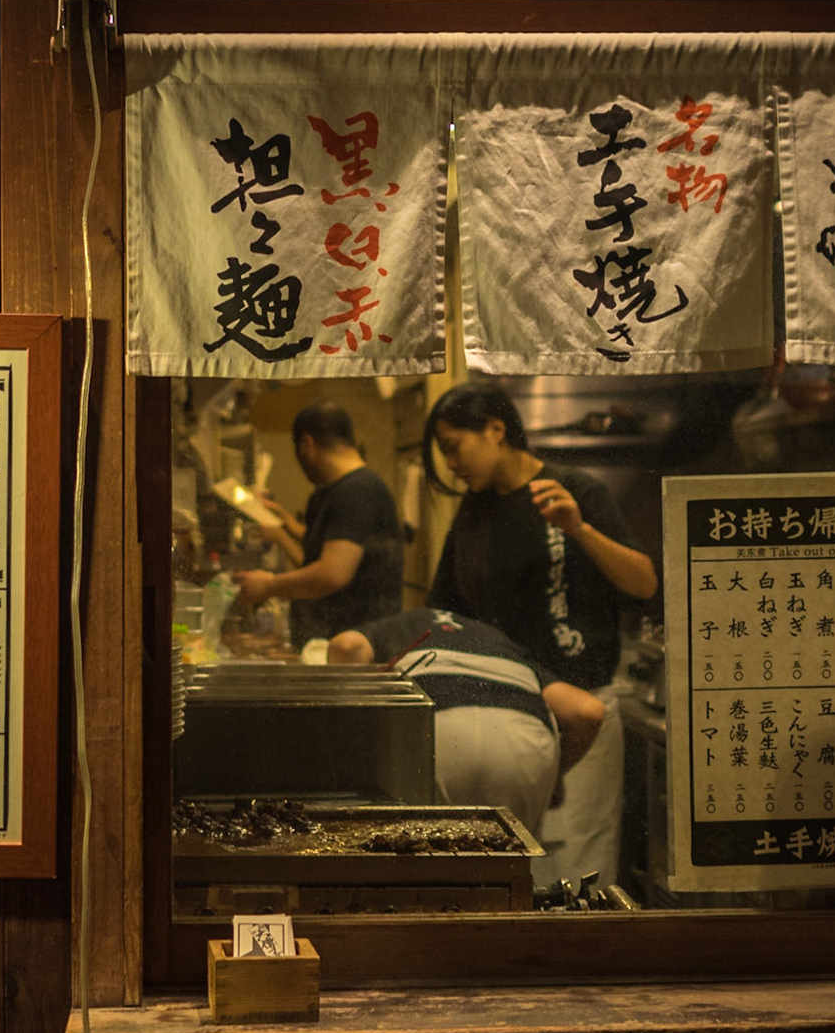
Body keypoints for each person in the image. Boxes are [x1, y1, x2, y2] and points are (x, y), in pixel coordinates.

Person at [422, 381, 658, 891]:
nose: (452, 465)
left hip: (582, 711)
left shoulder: (576, 490)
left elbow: (643, 581)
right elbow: (445, 611)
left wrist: (579, 529)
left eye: (454, 448)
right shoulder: (475, 510)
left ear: (495, 429)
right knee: (517, 873)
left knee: (578, 869)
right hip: (507, 716)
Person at [327, 608, 606, 830]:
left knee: (421, 865)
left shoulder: (405, 622)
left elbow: (347, 646)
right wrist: (555, 777)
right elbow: (588, 711)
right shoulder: (499, 641)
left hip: (435, 737)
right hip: (523, 747)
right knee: (508, 871)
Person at [231, 399, 404, 646]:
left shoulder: (357, 490)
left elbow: (332, 574)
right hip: (332, 643)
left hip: (353, 648)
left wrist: (269, 585)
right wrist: (286, 524)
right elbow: (317, 557)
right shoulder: (333, 491)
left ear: (306, 445)